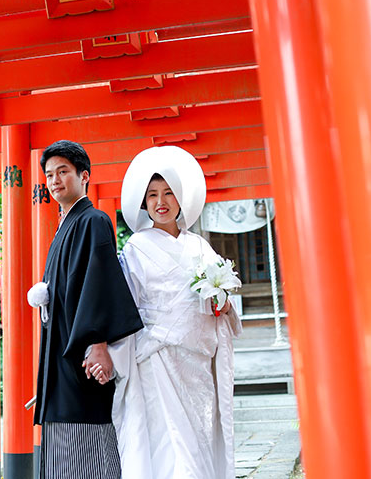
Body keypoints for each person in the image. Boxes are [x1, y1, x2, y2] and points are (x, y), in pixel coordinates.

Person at [108, 146, 242, 479]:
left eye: (168, 192)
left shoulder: (199, 246)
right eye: (152, 194)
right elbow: (127, 304)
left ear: (181, 198)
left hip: (198, 362)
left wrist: (222, 303)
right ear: (143, 202)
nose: (161, 201)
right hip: (157, 358)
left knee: (198, 437)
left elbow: (225, 301)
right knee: (166, 439)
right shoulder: (135, 248)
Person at [30, 140, 143, 478]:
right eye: (49, 174)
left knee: (87, 437)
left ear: (84, 176)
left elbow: (99, 280)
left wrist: (98, 343)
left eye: (63, 171)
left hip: (81, 354)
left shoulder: (93, 220)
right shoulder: (64, 226)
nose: (54, 180)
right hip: (61, 350)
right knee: (63, 436)